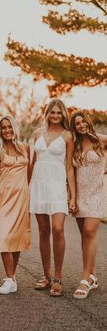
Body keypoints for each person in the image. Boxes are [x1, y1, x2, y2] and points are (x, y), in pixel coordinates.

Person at [29, 98, 76, 297]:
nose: (55, 115)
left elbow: (69, 167)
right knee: (43, 231)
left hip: (57, 186)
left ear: (63, 114)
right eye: (52, 112)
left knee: (57, 229)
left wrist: (72, 196)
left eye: (59, 112)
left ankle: (58, 276)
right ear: (47, 113)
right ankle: (46, 275)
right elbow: (32, 163)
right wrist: (25, 187)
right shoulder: (37, 133)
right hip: (39, 185)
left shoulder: (68, 136)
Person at [0, 115, 31, 295]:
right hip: (4, 196)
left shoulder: (25, 148)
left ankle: (12, 278)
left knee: (16, 237)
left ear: (14, 128)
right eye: (3, 128)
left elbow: (29, 173)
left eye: (9, 127)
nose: (7, 130)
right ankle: (9, 278)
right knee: (4, 235)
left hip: (21, 197)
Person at [70, 111, 107, 299]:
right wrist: (72, 197)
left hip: (97, 194)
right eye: (77, 123)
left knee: (90, 232)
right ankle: (92, 275)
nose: (81, 124)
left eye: (83, 121)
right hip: (80, 195)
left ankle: (85, 279)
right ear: (74, 127)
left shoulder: (101, 140)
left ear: (88, 122)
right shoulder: (74, 145)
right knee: (85, 236)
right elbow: (70, 173)